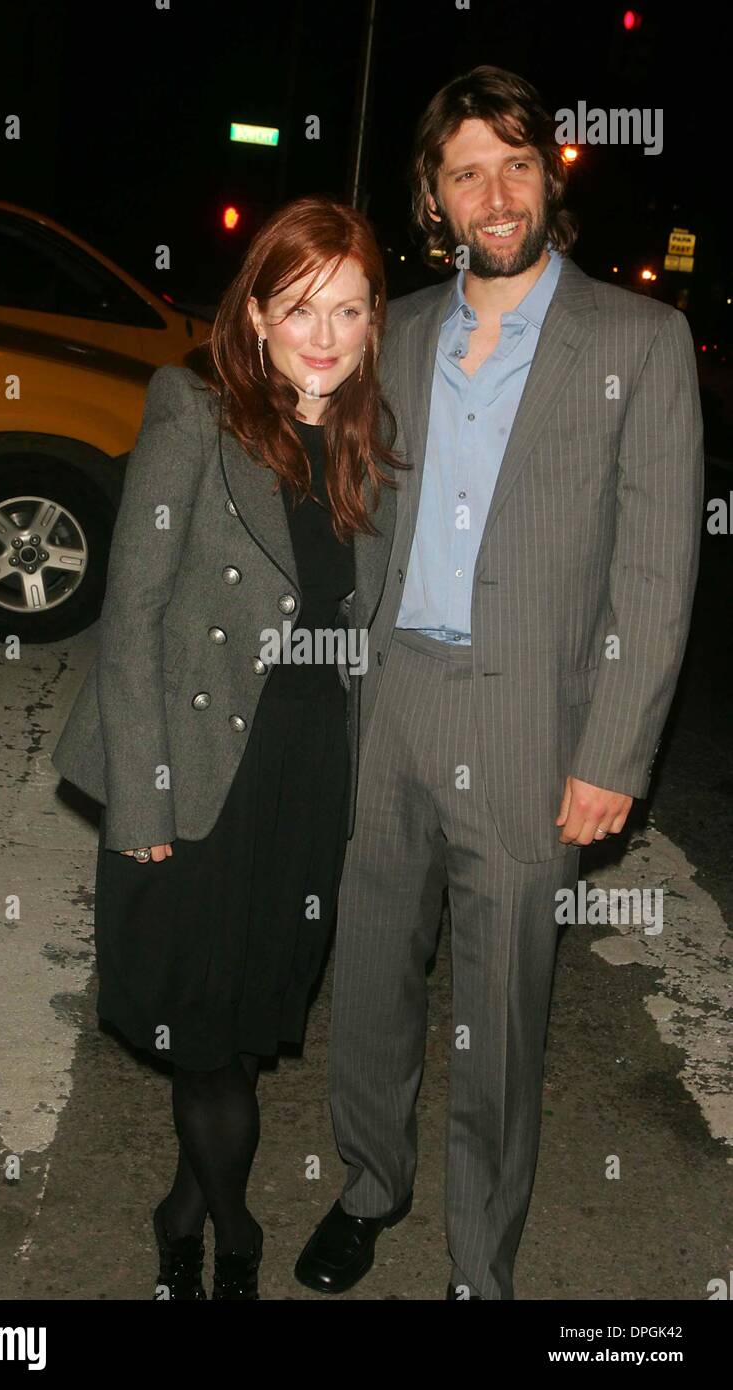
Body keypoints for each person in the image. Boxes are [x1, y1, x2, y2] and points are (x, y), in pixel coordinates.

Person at [294, 66, 704, 1301]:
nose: (494, 190)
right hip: (391, 702)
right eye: (466, 168)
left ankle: (482, 1258)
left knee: (499, 1018)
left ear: (548, 179)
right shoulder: (400, 331)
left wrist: (613, 755)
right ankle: (371, 1183)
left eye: (515, 163)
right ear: (434, 193)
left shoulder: (641, 340)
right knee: (366, 974)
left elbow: (656, 567)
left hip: (532, 725)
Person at [51, 196, 406, 1300]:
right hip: (196, 773)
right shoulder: (192, 411)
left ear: (373, 323)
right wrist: (142, 807)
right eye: (298, 307)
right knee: (203, 1036)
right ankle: (233, 1240)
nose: (324, 334)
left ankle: (181, 1207)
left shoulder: (369, 446)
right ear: (254, 313)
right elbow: (135, 615)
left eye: (348, 309)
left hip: (307, 776)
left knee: (243, 1028)